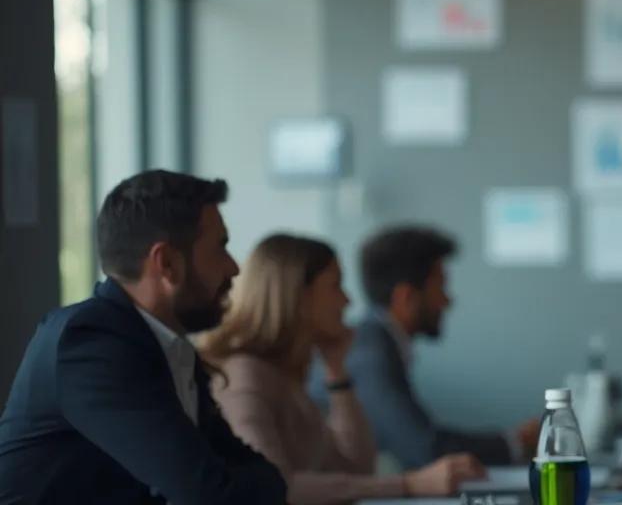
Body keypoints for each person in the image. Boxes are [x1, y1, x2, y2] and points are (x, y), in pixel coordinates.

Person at [0, 170, 287, 503]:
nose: (234, 267)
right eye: (220, 247)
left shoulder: (170, 348)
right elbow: (209, 494)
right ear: (166, 263)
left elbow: (252, 473)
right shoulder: (89, 344)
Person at [202, 234, 486, 503]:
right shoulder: (245, 375)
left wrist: (337, 372)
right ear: (298, 297)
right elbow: (274, 484)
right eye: (336, 286)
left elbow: (358, 467)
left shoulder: (286, 376)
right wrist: (408, 484)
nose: (347, 301)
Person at [310, 225, 531, 470]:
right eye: (440, 287)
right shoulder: (372, 353)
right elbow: (424, 448)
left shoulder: (379, 342)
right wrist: (516, 441)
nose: (448, 301)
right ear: (406, 297)